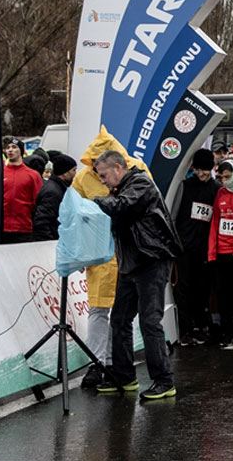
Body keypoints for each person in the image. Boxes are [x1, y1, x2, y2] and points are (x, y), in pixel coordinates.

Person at [90, 150, 180, 400]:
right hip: (130, 263)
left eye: (104, 175)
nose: (103, 181)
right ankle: (123, 376)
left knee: (149, 321)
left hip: (151, 261)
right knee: (119, 319)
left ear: (118, 168)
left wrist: (92, 201)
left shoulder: (140, 183)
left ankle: (164, 381)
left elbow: (122, 207)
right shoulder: (120, 189)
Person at [72, 129, 145, 389]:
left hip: (128, 249)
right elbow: (73, 216)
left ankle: (116, 364)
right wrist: (79, 252)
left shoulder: (136, 169)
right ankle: (98, 363)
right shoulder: (82, 178)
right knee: (98, 309)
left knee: (122, 313)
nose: (98, 174)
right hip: (100, 251)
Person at [171, 149, 220, 346]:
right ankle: (185, 329)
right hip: (184, 247)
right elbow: (174, 215)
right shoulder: (184, 186)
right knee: (183, 289)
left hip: (205, 248)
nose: (202, 174)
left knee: (202, 289)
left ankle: (200, 326)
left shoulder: (216, 189)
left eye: (206, 171)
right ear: (194, 168)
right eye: (200, 170)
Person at [208, 159, 233, 345]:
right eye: (221, 177)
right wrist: (212, 252)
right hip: (221, 252)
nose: (224, 181)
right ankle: (226, 331)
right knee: (222, 294)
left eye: (227, 176)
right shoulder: (220, 193)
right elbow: (215, 222)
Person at [2, 136, 43, 244]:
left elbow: (38, 202)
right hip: (2, 228)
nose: (10, 150)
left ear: (22, 151)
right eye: (8, 147)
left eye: (14, 147)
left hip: (23, 228)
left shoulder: (33, 175)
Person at [31, 154, 78, 241]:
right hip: (50, 242)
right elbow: (42, 221)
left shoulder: (58, 187)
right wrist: (49, 242)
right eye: (74, 170)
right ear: (65, 173)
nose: (75, 174)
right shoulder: (52, 192)